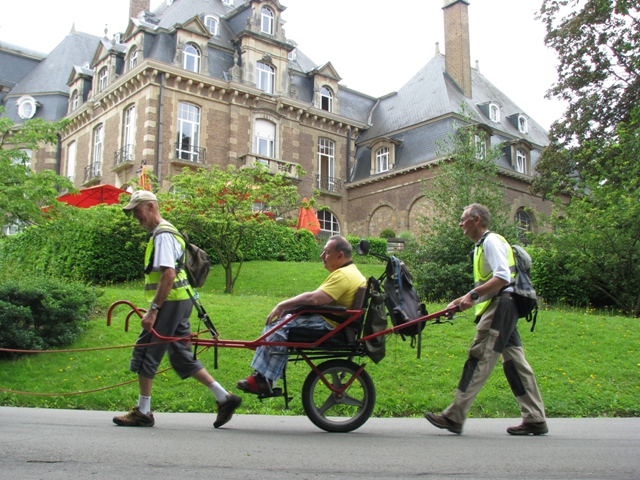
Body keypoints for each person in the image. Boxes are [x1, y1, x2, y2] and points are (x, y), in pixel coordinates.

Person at [113, 190, 241, 428]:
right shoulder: (164, 232)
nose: (135, 217)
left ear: (151, 206)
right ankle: (225, 398)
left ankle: (143, 411)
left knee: (146, 351)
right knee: (181, 355)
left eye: (137, 211)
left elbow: (168, 274)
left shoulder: (162, 234)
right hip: (181, 301)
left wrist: (153, 310)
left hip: (171, 302)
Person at [425, 203, 547, 436]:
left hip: (502, 307)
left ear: (477, 219)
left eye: (463, 219)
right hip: (504, 304)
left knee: (479, 356)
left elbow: (502, 277)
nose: (460, 223)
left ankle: (454, 415)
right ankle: (535, 417)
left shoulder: (490, 241)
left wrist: (472, 295)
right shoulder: (483, 246)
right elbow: (490, 283)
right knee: (516, 364)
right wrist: (461, 301)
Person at [237, 235, 366, 394]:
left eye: (326, 252)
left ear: (340, 255)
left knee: (277, 329)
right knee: (278, 326)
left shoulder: (344, 275)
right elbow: (318, 299)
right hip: (333, 322)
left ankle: (263, 381)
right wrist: (293, 308)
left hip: (329, 325)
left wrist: (282, 305)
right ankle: (262, 377)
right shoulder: (351, 272)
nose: (322, 256)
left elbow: (315, 298)